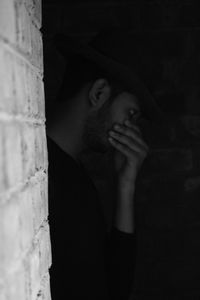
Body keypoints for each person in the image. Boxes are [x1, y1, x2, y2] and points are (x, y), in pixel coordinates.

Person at [46, 29, 172, 300]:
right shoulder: (43, 178)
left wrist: (125, 184)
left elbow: (113, 288)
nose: (131, 129)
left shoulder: (74, 174)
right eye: (131, 114)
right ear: (99, 93)